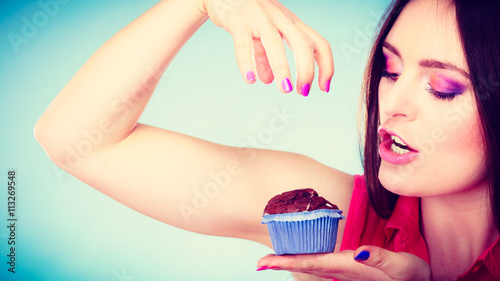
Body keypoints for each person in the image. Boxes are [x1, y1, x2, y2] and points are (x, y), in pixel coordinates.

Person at [34, 0, 500, 280]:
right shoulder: (328, 217)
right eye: (389, 70)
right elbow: (77, 141)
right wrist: (196, 2)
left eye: (442, 89)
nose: (393, 101)